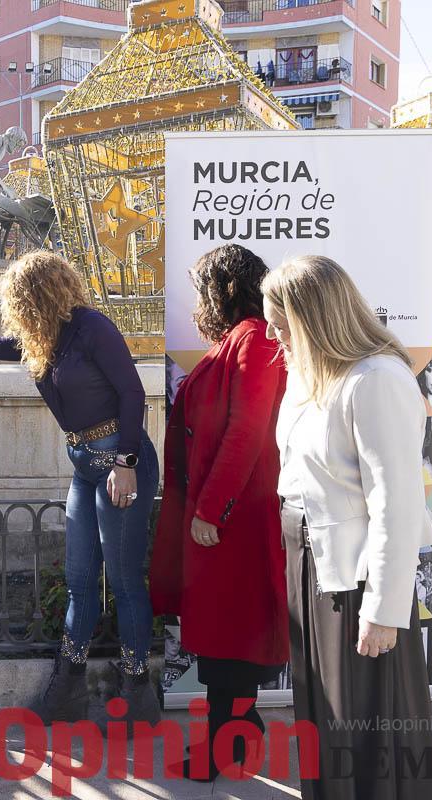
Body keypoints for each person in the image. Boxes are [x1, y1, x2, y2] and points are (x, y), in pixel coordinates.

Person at [0, 250, 160, 732]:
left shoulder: (92, 327)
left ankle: (137, 700)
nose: (14, 312)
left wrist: (127, 462)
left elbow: (132, 392)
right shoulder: (45, 339)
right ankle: (67, 693)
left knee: (123, 582)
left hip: (120, 463)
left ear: (36, 295)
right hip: (84, 465)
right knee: (81, 581)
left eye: (17, 300)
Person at [262, 255, 432, 800]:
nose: (272, 335)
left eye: (280, 323)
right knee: (324, 716)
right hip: (311, 562)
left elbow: (397, 502)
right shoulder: (312, 375)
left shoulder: (376, 380)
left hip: (356, 578)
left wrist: (384, 610)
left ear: (315, 318)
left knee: (365, 723)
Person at [148, 245, 289, 780]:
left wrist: (212, 509)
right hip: (227, 517)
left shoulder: (252, 337)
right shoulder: (242, 338)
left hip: (233, 519)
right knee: (227, 633)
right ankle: (240, 732)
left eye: (201, 288)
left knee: (232, 634)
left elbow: (248, 428)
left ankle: (227, 745)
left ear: (223, 289)